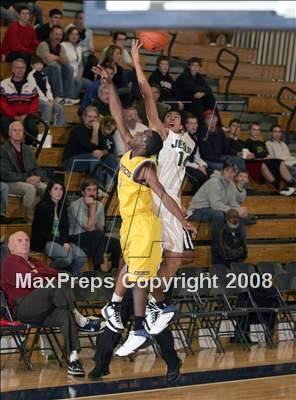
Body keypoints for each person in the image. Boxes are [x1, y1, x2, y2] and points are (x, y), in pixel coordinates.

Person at [92, 41, 196, 355]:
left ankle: (149, 304)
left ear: (186, 124)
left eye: (179, 117)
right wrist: (137, 61)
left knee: (173, 261)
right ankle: (126, 310)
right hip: (153, 204)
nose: (173, 118)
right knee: (133, 260)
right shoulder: (157, 138)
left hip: (170, 204)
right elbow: (146, 94)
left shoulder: (188, 144)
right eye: (170, 116)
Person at [1, 231, 101, 377]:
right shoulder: (10, 261)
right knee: (53, 285)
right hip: (22, 308)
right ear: (11, 247)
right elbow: (29, 279)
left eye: (27, 240)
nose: (24, 243)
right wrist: (38, 274)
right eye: (19, 240)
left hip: (43, 307)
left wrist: (37, 270)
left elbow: (54, 272)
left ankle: (73, 359)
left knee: (64, 314)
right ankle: (81, 319)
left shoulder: (34, 261)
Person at [88, 289, 182, 382]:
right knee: (115, 323)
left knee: (159, 325)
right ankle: (101, 365)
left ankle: (173, 363)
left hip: (157, 287)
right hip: (132, 287)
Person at [188, 160, 248, 259]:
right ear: (222, 170)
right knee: (219, 215)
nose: (229, 174)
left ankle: (240, 250)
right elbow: (216, 204)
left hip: (213, 209)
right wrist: (235, 210)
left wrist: (240, 210)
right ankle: (218, 253)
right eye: (227, 171)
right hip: (197, 210)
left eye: (233, 172)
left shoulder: (231, 184)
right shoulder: (214, 182)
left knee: (237, 215)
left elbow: (233, 202)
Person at [31, 180, 87, 276]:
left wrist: (65, 241)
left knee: (81, 257)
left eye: (61, 189)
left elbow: (65, 228)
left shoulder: (63, 207)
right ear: (49, 191)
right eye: (56, 189)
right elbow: (44, 233)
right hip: (45, 241)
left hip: (61, 240)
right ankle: (49, 273)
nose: (59, 192)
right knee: (66, 258)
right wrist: (62, 242)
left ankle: (71, 276)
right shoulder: (41, 207)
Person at [68, 178, 121, 271]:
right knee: (98, 234)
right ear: (83, 192)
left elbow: (100, 226)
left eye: (94, 190)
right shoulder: (75, 205)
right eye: (89, 190)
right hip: (76, 237)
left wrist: (94, 208)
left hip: (94, 238)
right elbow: (89, 228)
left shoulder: (99, 205)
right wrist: (92, 207)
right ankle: (97, 268)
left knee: (116, 243)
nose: (92, 193)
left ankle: (114, 270)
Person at [63, 106, 118, 190]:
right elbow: (92, 147)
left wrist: (103, 152)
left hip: (90, 159)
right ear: (84, 117)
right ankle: (98, 188)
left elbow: (107, 149)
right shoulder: (78, 130)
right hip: (72, 161)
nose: (92, 119)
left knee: (111, 158)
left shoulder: (99, 130)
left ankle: (118, 185)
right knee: (94, 157)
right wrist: (95, 130)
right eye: (89, 117)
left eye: (94, 117)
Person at [0, 121, 47, 221]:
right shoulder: (3, 149)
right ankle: (27, 220)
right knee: (30, 189)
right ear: (9, 133)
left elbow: (36, 168)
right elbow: (4, 174)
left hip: (27, 180)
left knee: (45, 188)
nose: (17, 132)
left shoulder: (27, 149)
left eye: (20, 130)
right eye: (15, 130)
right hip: (9, 182)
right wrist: (26, 178)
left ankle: (43, 217)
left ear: (23, 133)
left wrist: (38, 177)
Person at [245, 122, 295, 195]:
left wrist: (265, 157)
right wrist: (255, 156)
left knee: (279, 161)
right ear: (249, 131)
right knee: (263, 164)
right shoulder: (247, 142)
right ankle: (278, 187)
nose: (256, 132)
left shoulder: (261, 143)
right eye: (254, 129)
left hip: (264, 160)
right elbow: (247, 156)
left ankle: (292, 184)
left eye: (258, 130)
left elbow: (267, 155)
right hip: (255, 163)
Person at [36, 26, 79, 105]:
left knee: (69, 68)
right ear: (51, 35)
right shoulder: (43, 44)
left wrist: (56, 57)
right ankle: (58, 97)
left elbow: (67, 62)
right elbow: (48, 61)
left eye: (60, 35)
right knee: (56, 67)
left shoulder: (60, 47)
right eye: (56, 34)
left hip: (53, 71)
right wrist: (59, 59)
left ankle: (68, 98)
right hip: (40, 72)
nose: (58, 37)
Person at [0, 58, 39, 144]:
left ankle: (29, 147)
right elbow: (2, 104)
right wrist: (14, 116)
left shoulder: (31, 85)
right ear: (13, 69)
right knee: (4, 122)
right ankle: (11, 146)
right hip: (9, 115)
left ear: (25, 69)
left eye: (22, 68)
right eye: (17, 68)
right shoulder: (3, 84)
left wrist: (25, 115)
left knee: (31, 125)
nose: (20, 70)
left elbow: (34, 103)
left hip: (27, 115)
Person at [174, 57, 218, 125]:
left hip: (194, 99)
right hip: (184, 101)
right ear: (189, 66)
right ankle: (201, 124)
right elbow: (192, 88)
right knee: (197, 101)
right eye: (193, 65)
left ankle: (218, 124)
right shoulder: (184, 76)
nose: (195, 67)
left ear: (199, 67)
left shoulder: (199, 77)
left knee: (211, 99)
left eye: (197, 66)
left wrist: (203, 93)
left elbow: (209, 89)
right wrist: (202, 90)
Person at [27, 55, 65, 126]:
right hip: (36, 99)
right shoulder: (31, 76)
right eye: (37, 64)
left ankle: (58, 126)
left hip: (46, 99)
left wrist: (50, 98)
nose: (39, 66)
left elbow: (48, 88)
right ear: (32, 66)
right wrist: (46, 100)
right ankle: (45, 127)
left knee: (59, 107)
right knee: (47, 106)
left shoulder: (44, 75)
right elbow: (36, 90)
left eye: (40, 64)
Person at [65, 10, 97, 81]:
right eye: (80, 18)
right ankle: (81, 78)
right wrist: (87, 49)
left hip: (86, 54)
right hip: (72, 53)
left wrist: (88, 49)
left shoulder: (89, 31)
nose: (82, 21)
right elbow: (72, 47)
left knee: (94, 59)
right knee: (83, 58)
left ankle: (90, 81)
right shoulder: (70, 29)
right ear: (75, 19)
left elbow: (92, 48)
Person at [61, 27, 92, 98]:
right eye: (72, 34)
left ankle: (86, 103)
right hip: (67, 75)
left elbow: (80, 65)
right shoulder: (63, 45)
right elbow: (64, 62)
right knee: (78, 82)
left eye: (76, 34)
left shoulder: (79, 47)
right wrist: (74, 77)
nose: (74, 36)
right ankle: (70, 99)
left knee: (91, 85)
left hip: (77, 75)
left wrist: (78, 76)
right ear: (68, 35)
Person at [184, 114, 209, 193]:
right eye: (191, 123)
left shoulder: (195, 137)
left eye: (195, 123)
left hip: (192, 164)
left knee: (210, 173)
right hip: (184, 165)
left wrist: (203, 164)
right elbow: (183, 160)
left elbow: (196, 155)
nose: (193, 126)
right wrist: (197, 166)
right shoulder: (183, 138)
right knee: (200, 177)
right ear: (186, 125)